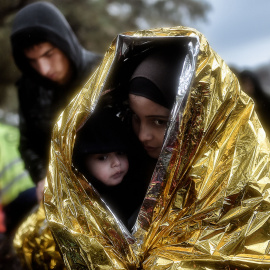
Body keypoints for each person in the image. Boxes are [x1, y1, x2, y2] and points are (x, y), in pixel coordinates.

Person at [17, 26, 270, 269]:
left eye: (160, 122)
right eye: (136, 117)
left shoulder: (236, 182)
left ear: (197, 118)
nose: (142, 134)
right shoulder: (131, 160)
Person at [10, 1, 102, 201]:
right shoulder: (28, 88)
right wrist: (42, 176)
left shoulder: (103, 73)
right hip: (54, 192)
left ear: (64, 43)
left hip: (107, 187)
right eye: (33, 61)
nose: (43, 68)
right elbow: (28, 144)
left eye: (48, 55)